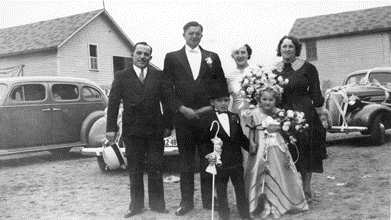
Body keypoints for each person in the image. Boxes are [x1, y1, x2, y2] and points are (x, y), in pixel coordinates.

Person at [106, 42, 180, 218]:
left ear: (150, 58)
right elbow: (114, 103)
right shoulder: (121, 76)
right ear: (132, 55)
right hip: (132, 130)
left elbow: (168, 101)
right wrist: (110, 129)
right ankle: (136, 206)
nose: (142, 57)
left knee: (156, 167)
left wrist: (169, 125)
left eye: (146, 54)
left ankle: (157, 204)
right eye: (139, 53)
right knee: (135, 169)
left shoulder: (158, 75)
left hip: (155, 130)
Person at [163, 21, 227, 216]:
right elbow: (166, 89)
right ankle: (186, 202)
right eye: (191, 33)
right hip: (184, 118)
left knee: (208, 160)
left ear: (202, 35)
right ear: (184, 34)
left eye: (198, 33)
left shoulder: (212, 57)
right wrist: (181, 109)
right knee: (186, 162)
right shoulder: (172, 58)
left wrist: (212, 106)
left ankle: (209, 200)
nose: (194, 36)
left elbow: (221, 86)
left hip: (207, 116)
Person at [273, 35, 327, 202]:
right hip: (282, 114)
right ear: (280, 49)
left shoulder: (308, 68)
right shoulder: (274, 70)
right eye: (284, 46)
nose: (287, 49)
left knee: (305, 151)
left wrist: (320, 109)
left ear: (296, 48)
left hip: (304, 115)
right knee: (284, 151)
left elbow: (317, 95)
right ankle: (290, 190)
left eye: (291, 46)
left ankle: (306, 188)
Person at [244, 87, 309, 219]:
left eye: (271, 100)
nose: (267, 103)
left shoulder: (280, 113)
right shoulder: (255, 113)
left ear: (276, 100)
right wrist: (251, 142)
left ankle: (277, 203)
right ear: (259, 99)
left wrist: (279, 127)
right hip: (260, 145)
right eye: (264, 99)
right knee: (261, 173)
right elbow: (251, 129)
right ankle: (265, 203)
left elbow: (287, 129)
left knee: (276, 172)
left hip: (276, 146)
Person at [198, 83, 252, 220]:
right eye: (219, 101)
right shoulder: (207, 120)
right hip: (220, 163)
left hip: (236, 161)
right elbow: (204, 142)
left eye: (226, 100)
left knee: (240, 188)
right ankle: (224, 215)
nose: (223, 103)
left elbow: (240, 136)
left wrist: (250, 146)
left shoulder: (234, 117)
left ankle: (245, 214)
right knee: (221, 190)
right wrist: (209, 156)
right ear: (212, 102)